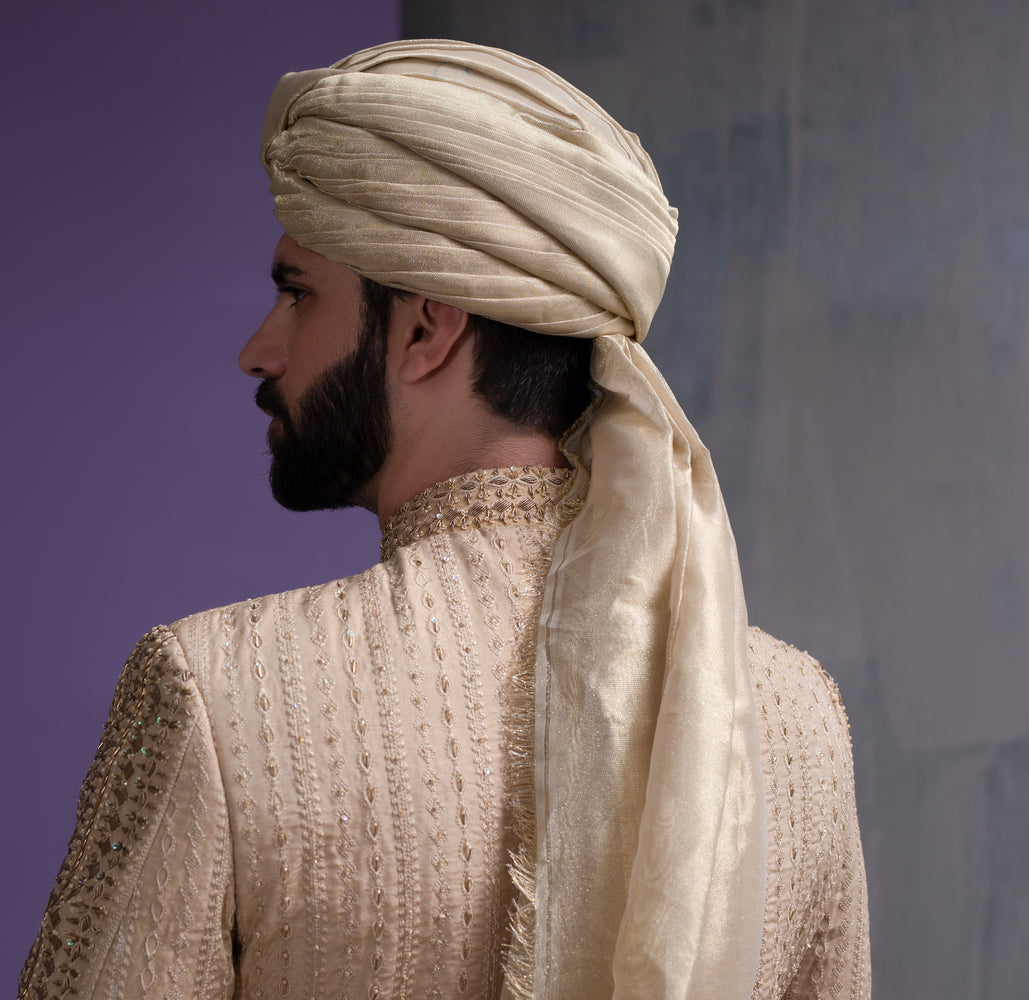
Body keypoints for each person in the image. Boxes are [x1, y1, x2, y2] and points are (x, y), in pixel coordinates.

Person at [20, 39, 869, 1000]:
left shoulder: (217, 690)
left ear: (425, 330)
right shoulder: (793, 721)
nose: (260, 350)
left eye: (296, 295)